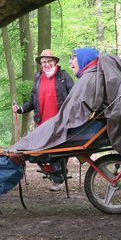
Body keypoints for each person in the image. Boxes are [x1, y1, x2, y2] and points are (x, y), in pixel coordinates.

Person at [12, 49, 74, 190]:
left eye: (49, 61)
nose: (46, 64)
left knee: (59, 152)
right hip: (42, 123)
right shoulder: (38, 77)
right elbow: (33, 100)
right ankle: (57, 176)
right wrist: (21, 109)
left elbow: (74, 95)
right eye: (43, 62)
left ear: (55, 62)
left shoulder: (63, 76)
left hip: (60, 123)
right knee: (38, 153)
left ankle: (58, 178)